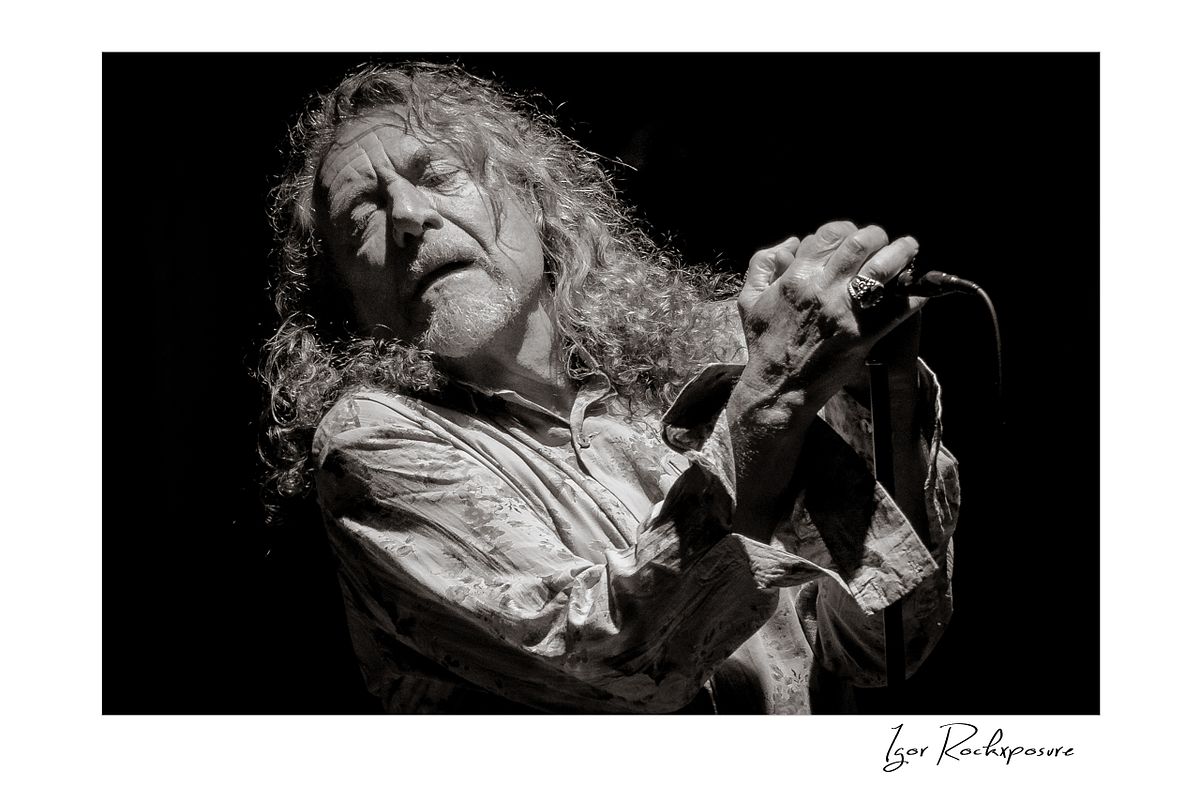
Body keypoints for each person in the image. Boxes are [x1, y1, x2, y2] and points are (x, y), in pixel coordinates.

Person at [260, 62, 959, 714]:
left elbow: (878, 649)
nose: (408, 216)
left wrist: (880, 388)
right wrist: (773, 397)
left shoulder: (679, 382)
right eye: (362, 215)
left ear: (536, 202)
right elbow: (617, 663)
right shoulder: (371, 441)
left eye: (437, 174)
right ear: (344, 298)